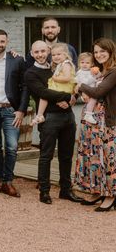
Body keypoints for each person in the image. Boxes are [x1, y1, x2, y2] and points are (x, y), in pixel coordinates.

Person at [24, 40, 83, 205]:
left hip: (68, 116)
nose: (40, 54)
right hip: (50, 118)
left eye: (43, 51)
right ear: (32, 53)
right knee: (46, 156)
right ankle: (44, 191)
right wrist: (66, 98)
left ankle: (66, 190)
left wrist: (73, 99)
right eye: (36, 52)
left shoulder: (57, 66)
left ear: (48, 51)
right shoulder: (31, 73)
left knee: (66, 155)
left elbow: (73, 83)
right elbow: (43, 92)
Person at [0, 29, 29, 197]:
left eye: (2, 42)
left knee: (12, 147)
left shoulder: (17, 60)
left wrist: (21, 110)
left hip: (10, 110)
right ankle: (0, 179)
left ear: (7, 42)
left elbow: (25, 86)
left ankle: (8, 181)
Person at [75, 38, 116, 212]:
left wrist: (80, 86)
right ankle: (98, 190)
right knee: (94, 157)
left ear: (111, 51)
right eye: (96, 52)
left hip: (106, 121)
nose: (99, 55)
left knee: (107, 158)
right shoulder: (101, 71)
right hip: (92, 121)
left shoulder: (114, 72)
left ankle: (111, 195)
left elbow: (99, 92)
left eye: (102, 51)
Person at [32, 43, 75, 125]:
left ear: (66, 54)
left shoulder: (66, 64)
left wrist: (55, 78)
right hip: (61, 87)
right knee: (45, 95)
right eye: (53, 55)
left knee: (45, 95)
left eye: (59, 54)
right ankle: (40, 115)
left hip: (64, 87)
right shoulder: (59, 65)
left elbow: (67, 78)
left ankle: (40, 115)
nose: (56, 57)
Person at [75, 52, 101, 125]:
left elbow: (99, 77)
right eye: (82, 62)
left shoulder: (91, 71)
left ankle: (89, 113)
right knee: (94, 99)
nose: (84, 64)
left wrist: (97, 73)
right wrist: (94, 78)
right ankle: (88, 114)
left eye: (87, 63)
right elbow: (83, 82)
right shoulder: (80, 72)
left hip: (92, 90)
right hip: (87, 92)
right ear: (79, 63)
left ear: (92, 64)